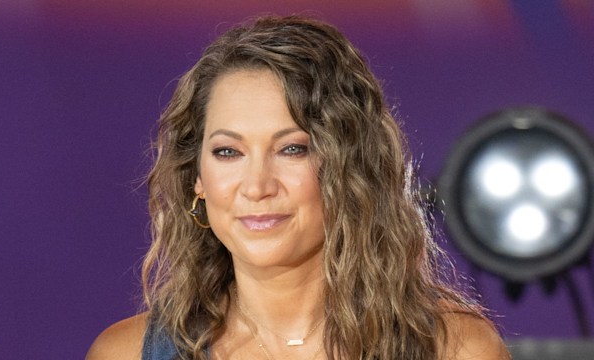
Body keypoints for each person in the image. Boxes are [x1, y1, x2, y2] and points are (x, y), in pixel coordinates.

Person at [86, 15, 510, 360]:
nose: (257, 186)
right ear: (196, 179)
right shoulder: (124, 353)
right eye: (228, 152)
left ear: (349, 168)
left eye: (292, 149)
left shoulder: (456, 350)